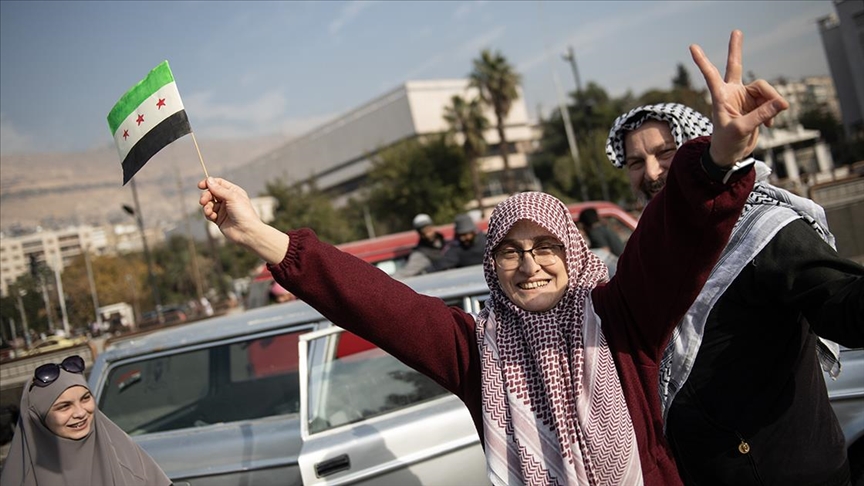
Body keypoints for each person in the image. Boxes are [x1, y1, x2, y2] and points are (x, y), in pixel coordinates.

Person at [198, 30, 784, 485]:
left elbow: (671, 240)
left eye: (546, 246)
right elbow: (373, 302)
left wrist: (715, 160)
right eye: (510, 252)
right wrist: (255, 234)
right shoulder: (477, 351)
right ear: (492, 268)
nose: (529, 264)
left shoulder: (623, 316)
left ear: (574, 252)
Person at [605, 96, 864, 484]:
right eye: (637, 163)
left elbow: (842, 306)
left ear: (698, 150)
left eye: (667, 153)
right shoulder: (645, 256)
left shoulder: (766, 230)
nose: (653, 173)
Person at [0, 355, 171, 486]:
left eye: (85, 398)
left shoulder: (125, 455)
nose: (81, 412)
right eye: (64, 406)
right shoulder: (20, 478)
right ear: (38, 418)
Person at [392, 213, 447, 278]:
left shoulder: (447, 243)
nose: (427, 235)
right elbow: (405, 273)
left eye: (428, 229)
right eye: (423, 233)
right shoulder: (420, 254)